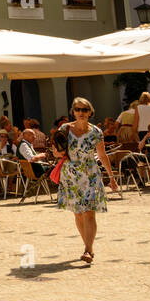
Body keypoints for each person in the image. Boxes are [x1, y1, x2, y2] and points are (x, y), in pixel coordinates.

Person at [57, 97, 118, 264]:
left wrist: (111, 177)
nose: (81, 113)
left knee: (89, 213)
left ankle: (88, 250)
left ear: (90, 112)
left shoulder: (96, 132)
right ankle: (88, 246)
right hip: (70, 174)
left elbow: (102, 155)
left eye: (84, 110)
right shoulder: (64, 129)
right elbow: (56, 152)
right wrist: (57, 152)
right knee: (78, 214)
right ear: (73, 111)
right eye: (77, 109)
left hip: (90, 173)